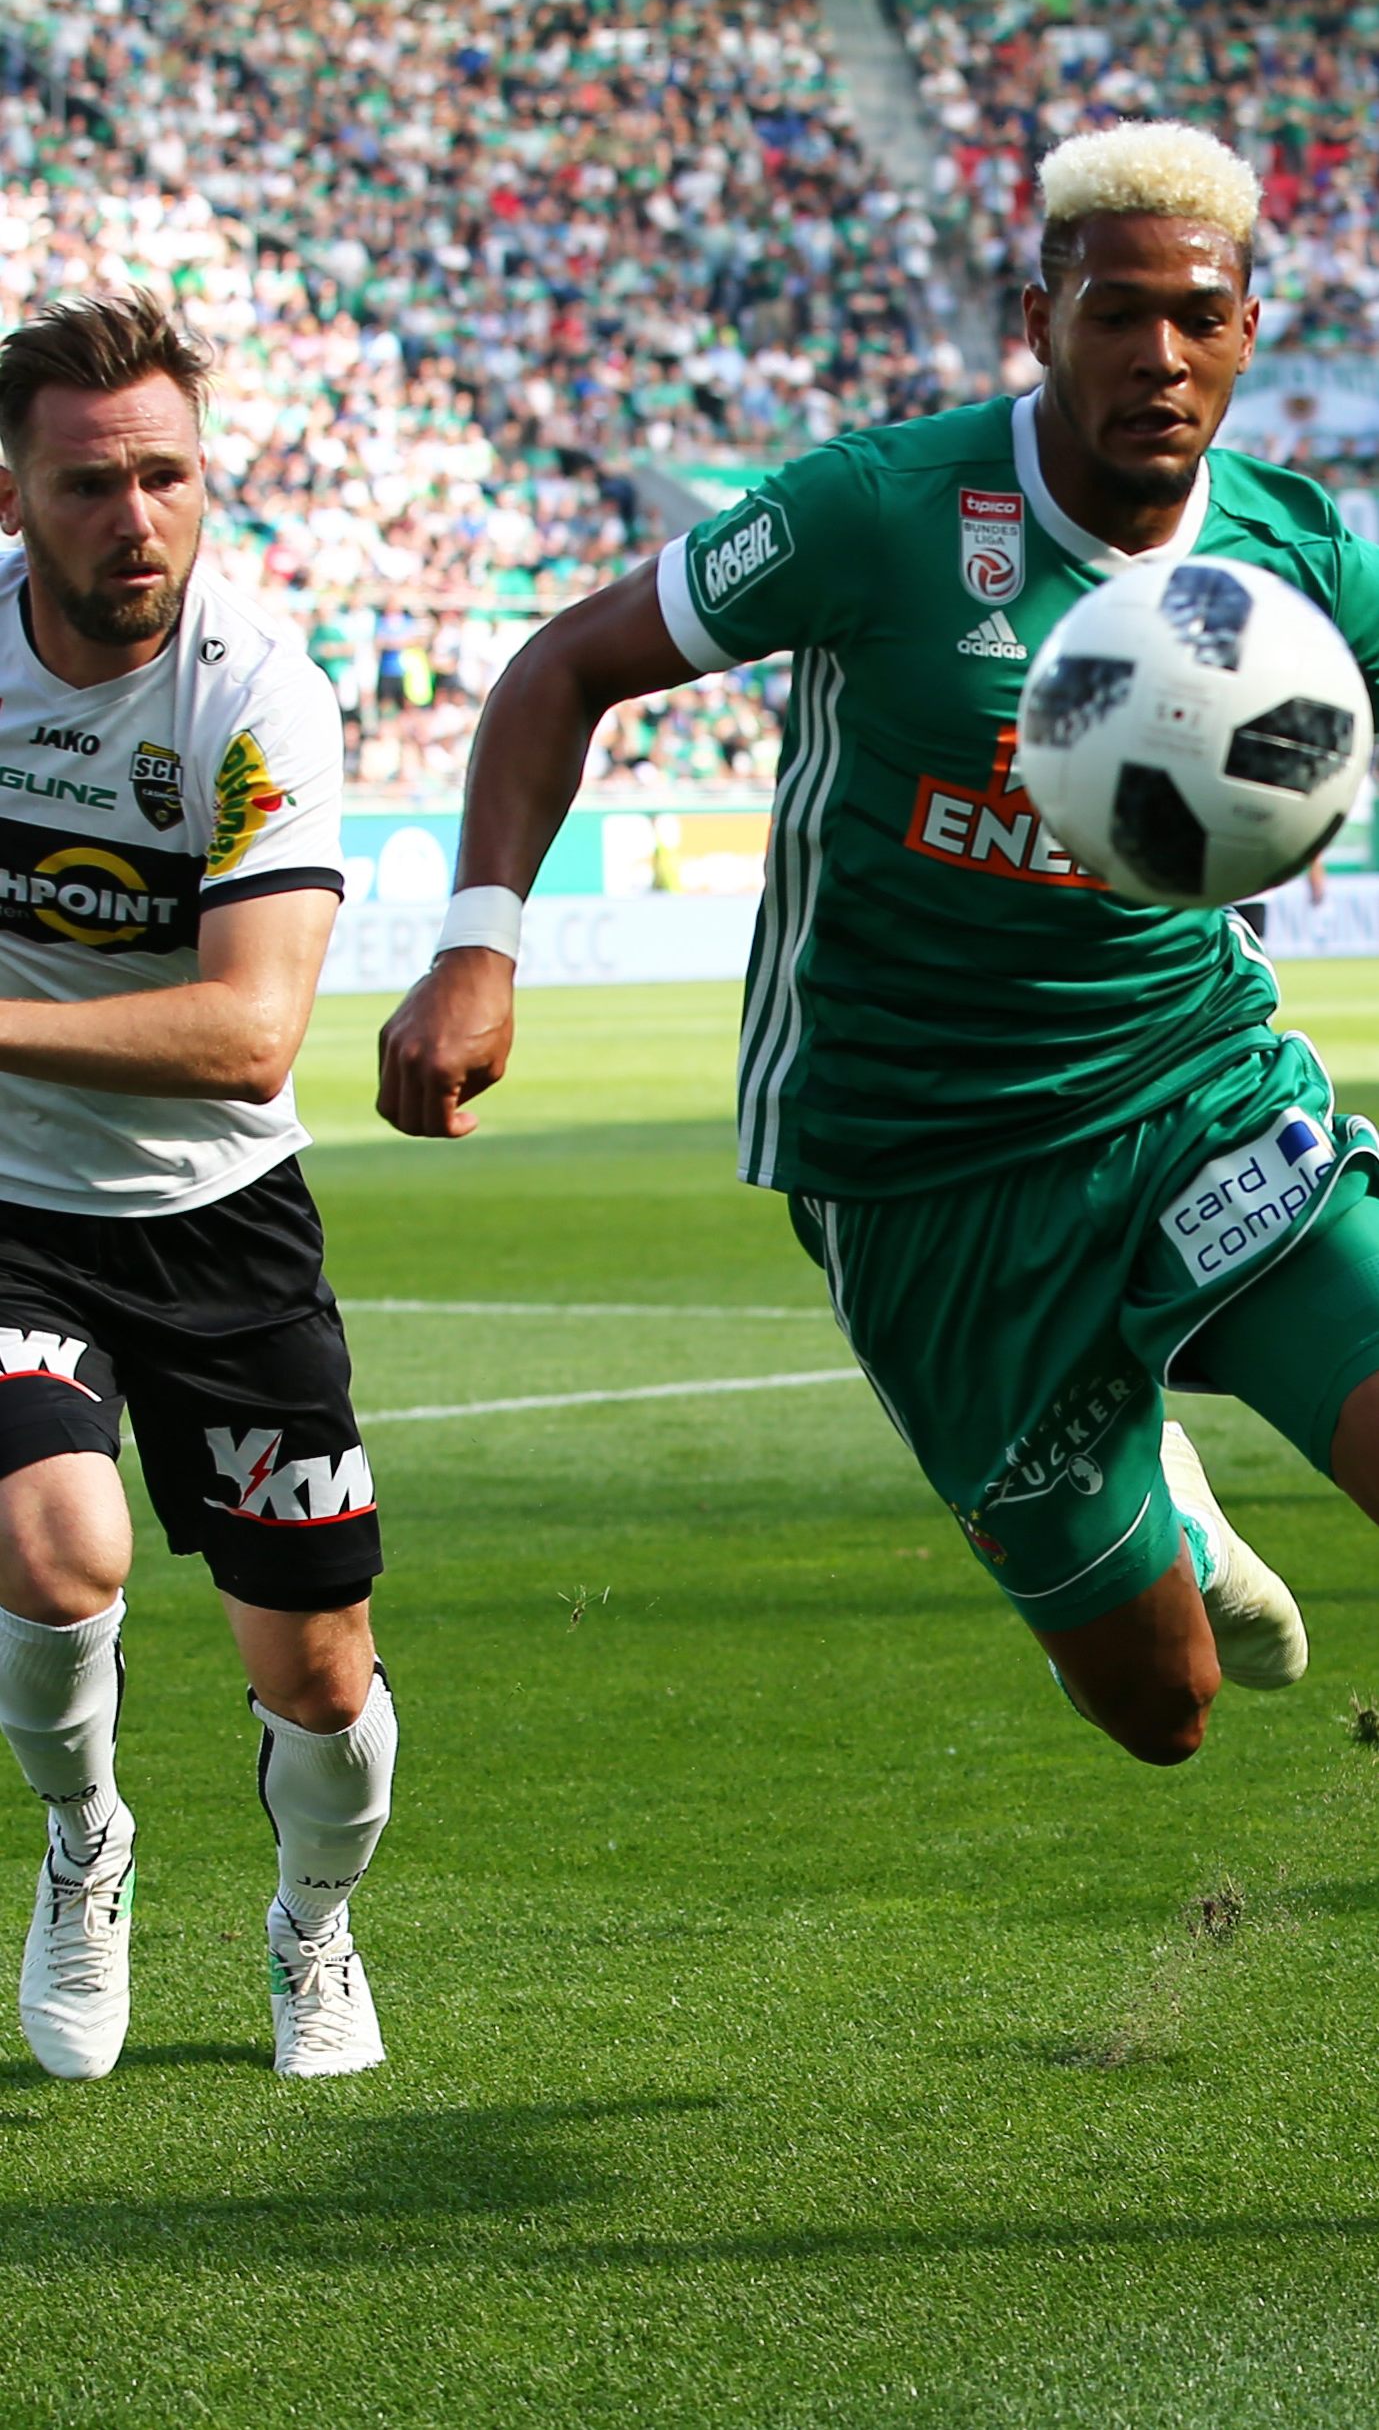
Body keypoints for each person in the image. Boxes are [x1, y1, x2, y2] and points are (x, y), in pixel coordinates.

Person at [378, 123, 1379, 1774]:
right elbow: (562, 665)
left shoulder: (1289, 550)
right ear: (1040, 311)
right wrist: (480, 946)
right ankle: (1168, 1512)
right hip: (916, 1167)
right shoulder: (884, 510)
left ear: (1252, 323)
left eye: (1199, 316)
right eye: (1114, 312)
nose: (1159, 356)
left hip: (1194, 1081)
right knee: (1169, 1710)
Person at [0, 289, 396, 2081]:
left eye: (167, 476)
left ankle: (311, 1922)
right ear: (14, 494)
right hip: (13, 1211)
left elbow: (251, 1033)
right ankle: (86, 1844)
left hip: (223, 1223)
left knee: (317, 1681)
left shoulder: (255, 695)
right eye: (90, 483)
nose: (135, 517)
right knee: (51, 1548)